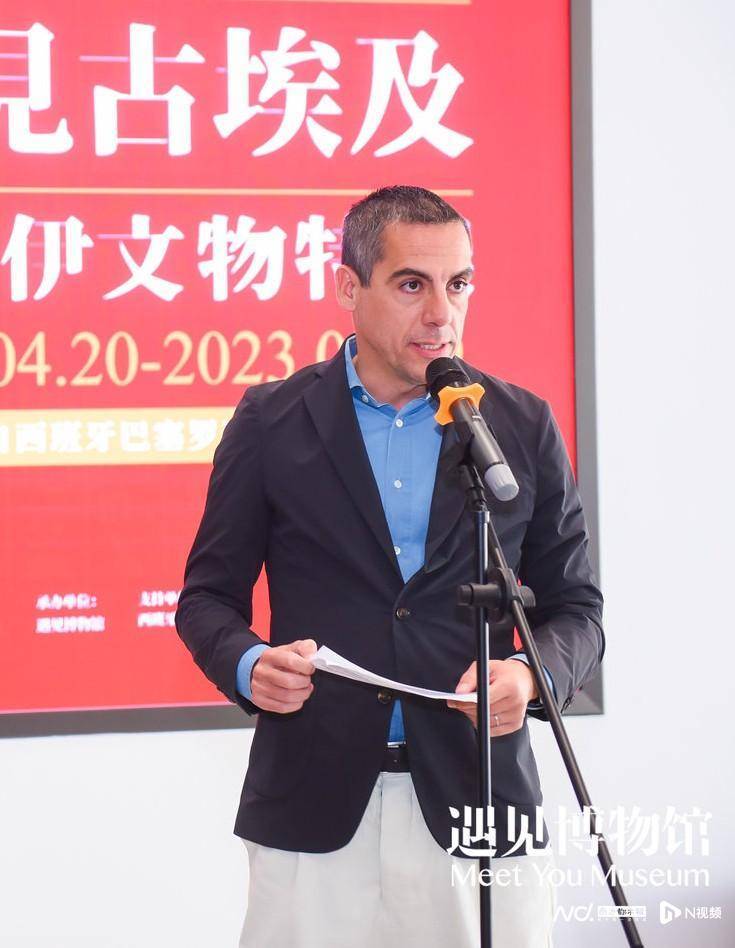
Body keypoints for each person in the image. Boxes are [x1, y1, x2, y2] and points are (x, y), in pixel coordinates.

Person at [175, 185, 604, 947]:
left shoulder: (517, 424)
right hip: (312, 804)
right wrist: (248, 665)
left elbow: (576, 610)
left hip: (480, 797)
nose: (440, 313)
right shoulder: (270, 420)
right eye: (412, 284)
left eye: (457, 284)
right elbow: (206, 598)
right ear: (349, 287)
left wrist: (529, 676)